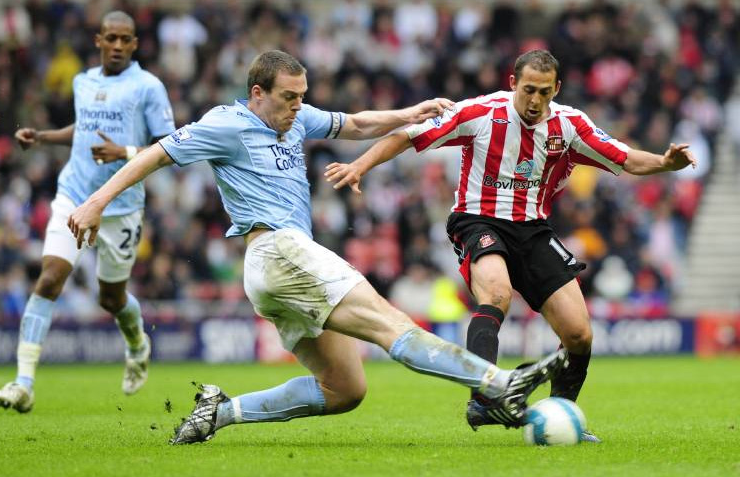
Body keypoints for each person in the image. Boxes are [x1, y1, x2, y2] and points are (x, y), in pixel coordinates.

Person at [67, 50, 568, 444]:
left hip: (273, 272)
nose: (298, 105)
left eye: (302, 96)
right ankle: (496, 384)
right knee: (390, 322)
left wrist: (410, 112)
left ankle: (219, 412)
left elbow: (355, 124)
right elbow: (155, 155)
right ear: (257, 93)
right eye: (289, 97)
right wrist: (94, 203)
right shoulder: (225, 124)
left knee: (344, 389)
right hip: (278, 249)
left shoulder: (295, 119)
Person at [325, 49, 697, 442]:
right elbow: (407, 135)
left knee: (579, 334)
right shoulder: (481, 113)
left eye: (544, 92)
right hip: (477, 220)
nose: (535, 101)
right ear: (513, 84)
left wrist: (664, 162)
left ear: (557, 89)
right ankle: (483, 398)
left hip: (533, 230)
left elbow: (626, 159)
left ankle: (563, 413)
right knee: (497, 293)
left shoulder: (570, 125)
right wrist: (359, 165)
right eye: (528, 90)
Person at [0, 11, 176, 413]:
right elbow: (83, 130)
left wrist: (124, 152)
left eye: (124, 39)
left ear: (134, 44)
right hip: (74, 193)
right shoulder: (83, 81)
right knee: (50, 277)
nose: (116, 45)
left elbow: (170, 147)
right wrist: (41, 137)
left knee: (110, 298)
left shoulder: (148, 87)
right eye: (110, 37)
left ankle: (137, 343)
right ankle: (23, 382)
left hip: (121, 206)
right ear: (98, 40)